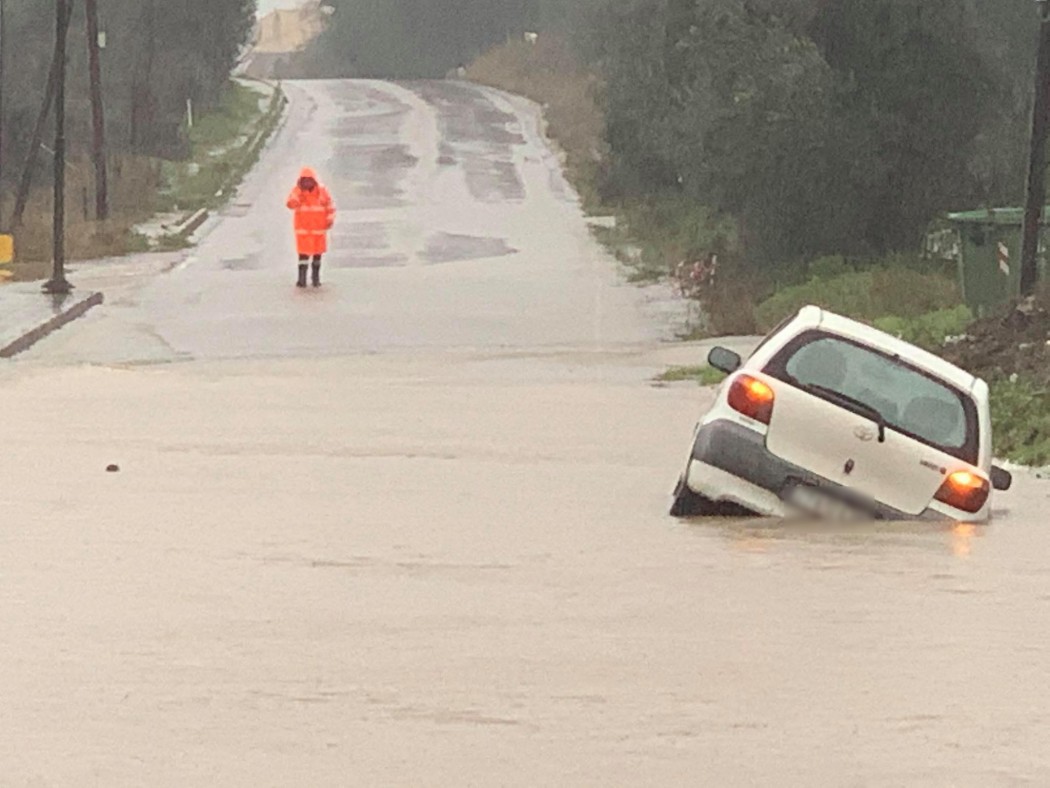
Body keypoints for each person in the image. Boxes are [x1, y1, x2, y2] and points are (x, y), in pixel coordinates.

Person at [286, 167, 336, 288]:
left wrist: (329, 220)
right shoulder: (297, 192)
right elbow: (290, 203)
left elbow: (330, 206)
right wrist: (298, 197)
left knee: (317, 256)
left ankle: (316, 279)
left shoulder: (322, 192)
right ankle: (301, 279)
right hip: (303, 231)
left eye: (309, 180)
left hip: (319, 230)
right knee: (303, 256)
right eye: (304, 181)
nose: (307, 183)